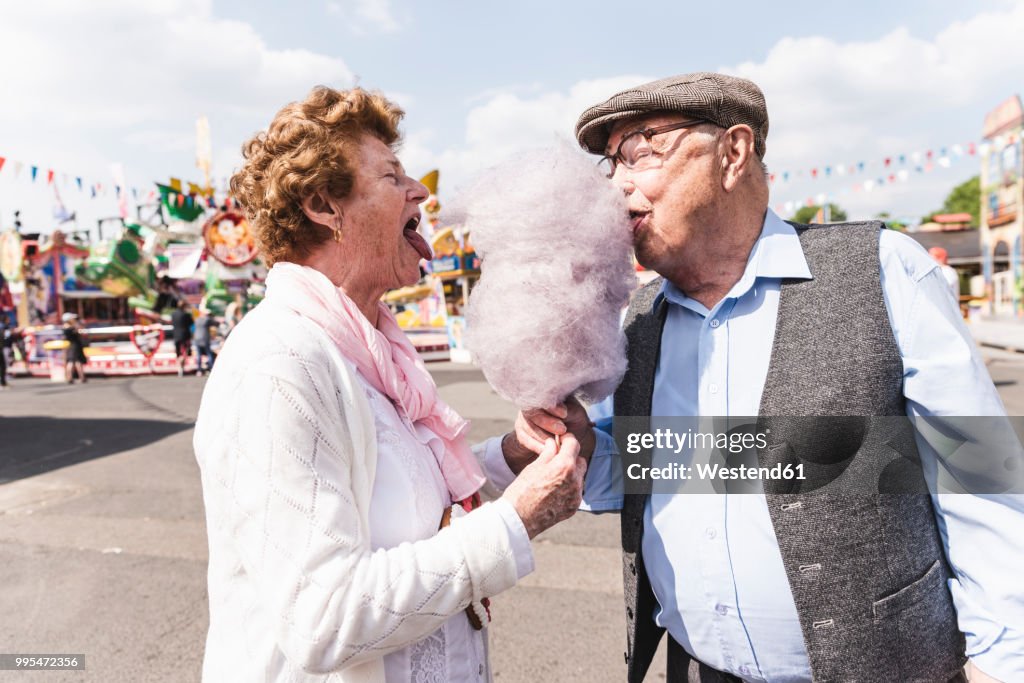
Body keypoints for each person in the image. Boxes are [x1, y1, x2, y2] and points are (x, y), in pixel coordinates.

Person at [506, 72, 1022, 683]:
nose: (618, 185)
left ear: (733, 152)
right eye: (609, 165)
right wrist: (582, 448)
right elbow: (663, 471)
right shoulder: (639, 321)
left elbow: (981, 481)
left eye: (642, 150)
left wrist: (1002, 663)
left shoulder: (883, 269)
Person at [193, 86, 586, 683]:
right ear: (325, 205)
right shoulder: (279, 363)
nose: (419, 191)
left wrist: (513, 457)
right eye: (392, 176)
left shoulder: (368, 350)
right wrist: (516, 522)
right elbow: (323, 620)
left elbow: (398, 489)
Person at [61, 312, 88, 383]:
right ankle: (81, 377)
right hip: (75, 345)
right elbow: (81, 332)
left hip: (70, 346)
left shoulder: (65, 327)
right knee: (77, 361)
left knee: (71, 361)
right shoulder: (71, 328)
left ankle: (69, 377)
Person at [170, 299, 193, 377]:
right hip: (185, 336)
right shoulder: (186, 315)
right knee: (184, 352)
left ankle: (180, 367)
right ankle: (181, 367)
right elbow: (191, 323)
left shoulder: (173, 314)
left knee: (178, 353)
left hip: (176, 336)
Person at [192, 306, 215, 376]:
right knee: (209, 353)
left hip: (197, 338)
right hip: (204, 339)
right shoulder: (207, 319)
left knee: (199, 355)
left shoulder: (197, 319)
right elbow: (215, 323)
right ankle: (210, 368)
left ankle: (199, 370)